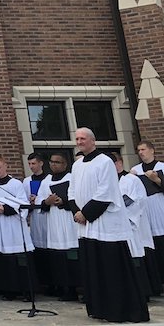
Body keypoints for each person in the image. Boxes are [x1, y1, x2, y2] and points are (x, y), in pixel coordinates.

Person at [69, 127, 148, 322]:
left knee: (111, 269)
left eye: (83, 138)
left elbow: (106, 191)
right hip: (86, 225)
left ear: (93, 141)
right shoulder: (77, 165)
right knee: (93, 269)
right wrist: (77, 212)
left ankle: (120, 309)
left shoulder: (104, 162)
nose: (79, 142)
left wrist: (86, 213)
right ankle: (100, 308)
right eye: (77, 138)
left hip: (104, 223)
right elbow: (71, 191)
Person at [0, 154, 34, 301]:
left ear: (5, 166)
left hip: (13, 226)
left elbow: (23, 205)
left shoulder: (16, 184)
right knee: (1, 258)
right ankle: (7, 289)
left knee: (18, 258)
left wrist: (5, 209)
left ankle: (26, 290)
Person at [35, 151, 79, 301]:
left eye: (57, 162)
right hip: (53, 220)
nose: (53, 164)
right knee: (57, 256)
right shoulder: (46, 180)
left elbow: (78, 196)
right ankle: (61, 286)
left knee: (71, 255)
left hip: (67, 220)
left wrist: (64, 200)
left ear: (65, 164)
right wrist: (47, 202)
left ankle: (73, 288)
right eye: (52, 162)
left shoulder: (71, 178)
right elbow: (38, 200)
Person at [115, 152, 157, 302]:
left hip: (133, 223)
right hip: (119, 225)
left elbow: (136, 200)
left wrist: (120, 211)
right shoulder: (111, 181)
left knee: (136, 255)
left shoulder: (131, 179)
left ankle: (143, 291)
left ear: (119, 163)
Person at [132, 140, 164, 284]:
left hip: (159, 206)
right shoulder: (135, 170)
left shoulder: (161, 166)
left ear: (152, 150)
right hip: (144, 210)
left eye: (143, 149)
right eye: (138, 150)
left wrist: (157, 180)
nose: (141, 153)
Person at [25, 152, 49, 285]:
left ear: (41, 163)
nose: (31, 166)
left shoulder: (49, 179)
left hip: (48, 217)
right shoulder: (27, 181)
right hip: (35, 218)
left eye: (33, 163)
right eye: (29, 164)